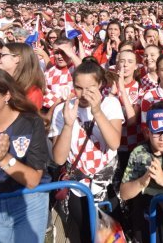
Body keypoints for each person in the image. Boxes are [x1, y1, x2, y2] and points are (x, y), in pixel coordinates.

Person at [50, 57, 124, 242]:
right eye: (78, 87)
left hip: (106, 184)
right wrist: (68, 125)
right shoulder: (62, 110)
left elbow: (114, 143)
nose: (83, 94)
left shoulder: (110, 104)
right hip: (78, 186)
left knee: (108, 235)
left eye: (89, 88)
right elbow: (58, 158)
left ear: (100, 84)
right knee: (84, 233)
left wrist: (97, 111)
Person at [0, 67, 50, 243]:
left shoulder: (30, 122)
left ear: (6, 96)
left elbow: (33, 179)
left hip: (29, 201)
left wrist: (4, 159)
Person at [120, 101, 163, 242]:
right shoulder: (139, 152)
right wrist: (141, 182)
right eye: (157, 132)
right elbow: (124, 193)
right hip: (145, 211)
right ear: (148, 131)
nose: (162, 138)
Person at [0, 43, 46, 110]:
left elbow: (30, 119)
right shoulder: (0, 83)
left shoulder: (32, 92)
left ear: (17, 58)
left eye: (2, 55)